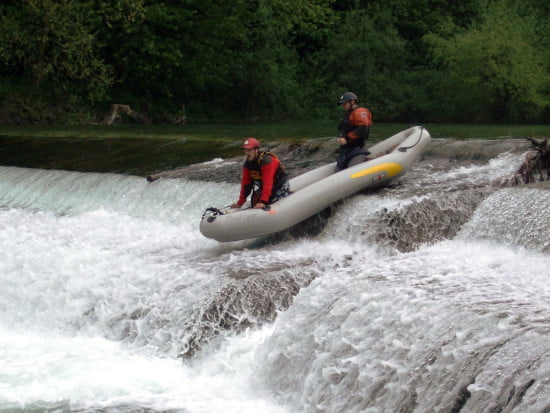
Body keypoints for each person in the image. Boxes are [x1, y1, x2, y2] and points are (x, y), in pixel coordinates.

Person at [231, 137, 290, 209]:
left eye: (249, 150)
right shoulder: (247, 165)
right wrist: (240, 203)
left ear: (256, 150)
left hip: (279, 184)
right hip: (265, 185)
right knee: (254, 203)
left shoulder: (266, 160)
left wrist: (263, 201)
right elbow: (246, 184)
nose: (247, 153)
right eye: (245, 150)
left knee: (269, 202)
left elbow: (268, 182)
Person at [335, 91, 372, 171]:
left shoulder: (359, 112)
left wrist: (346, 139)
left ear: (352, 102)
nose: (343, 106)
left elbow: (363, 129)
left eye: (345, 104)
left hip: (357, 150)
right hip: (345, 151)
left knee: (352, 171)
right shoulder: (347, 114)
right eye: (342, 104)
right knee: (337, 171)